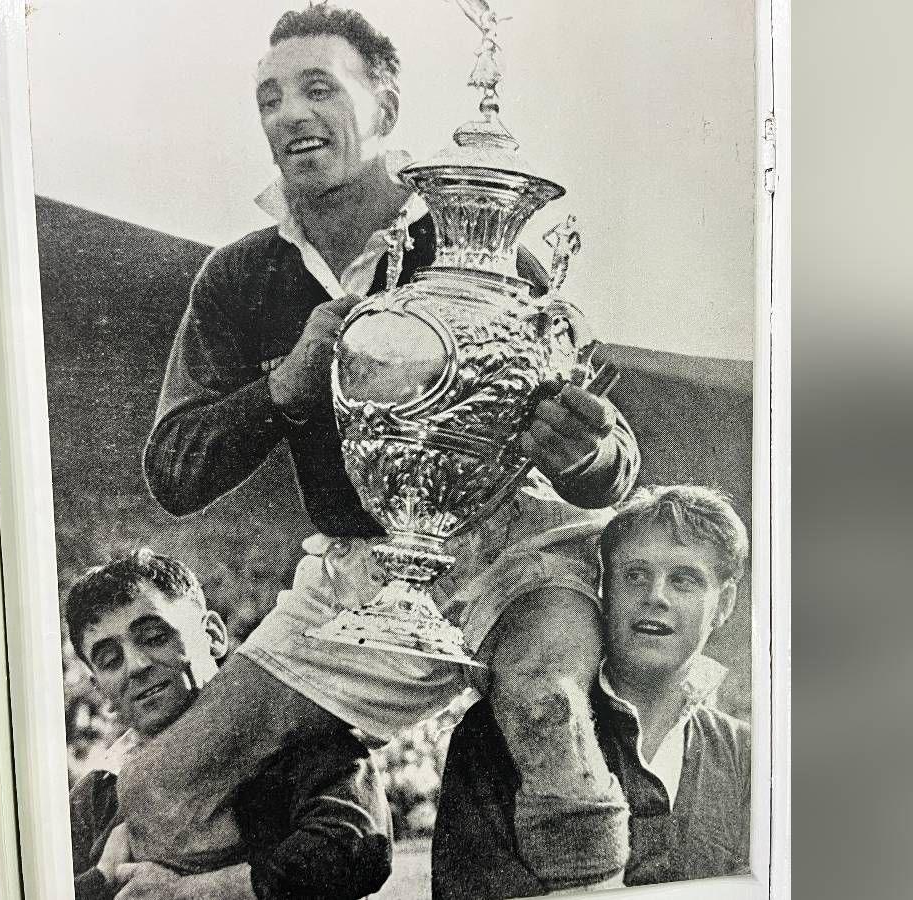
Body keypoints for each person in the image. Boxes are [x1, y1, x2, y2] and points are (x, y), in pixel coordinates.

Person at [128, 4, 642, 892]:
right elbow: (172, 469)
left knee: (544, 706)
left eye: (318, 87)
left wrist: (583, 454)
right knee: (157, 789)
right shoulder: (241, 274)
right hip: (354, 577)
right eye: (269, 98)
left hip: (508, 557)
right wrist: (280, 389)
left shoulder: (478, 249)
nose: (289, 113)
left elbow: (610, 458)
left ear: (387, 109)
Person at [432, 486, 752, 898]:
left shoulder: (746, 755)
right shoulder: (501, 731)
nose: (655, 596)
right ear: (604, 589)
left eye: (684, 580)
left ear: (724, 603)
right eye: (635, 574)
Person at [64, 549, 392, 900]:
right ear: (100, 688)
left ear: (214, 635)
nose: (136, 665)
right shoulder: (95, 795)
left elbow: (357, 846)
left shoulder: (297, 731)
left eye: (155, 638)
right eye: (111, 660)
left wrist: (189, 892)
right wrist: (100, 880)